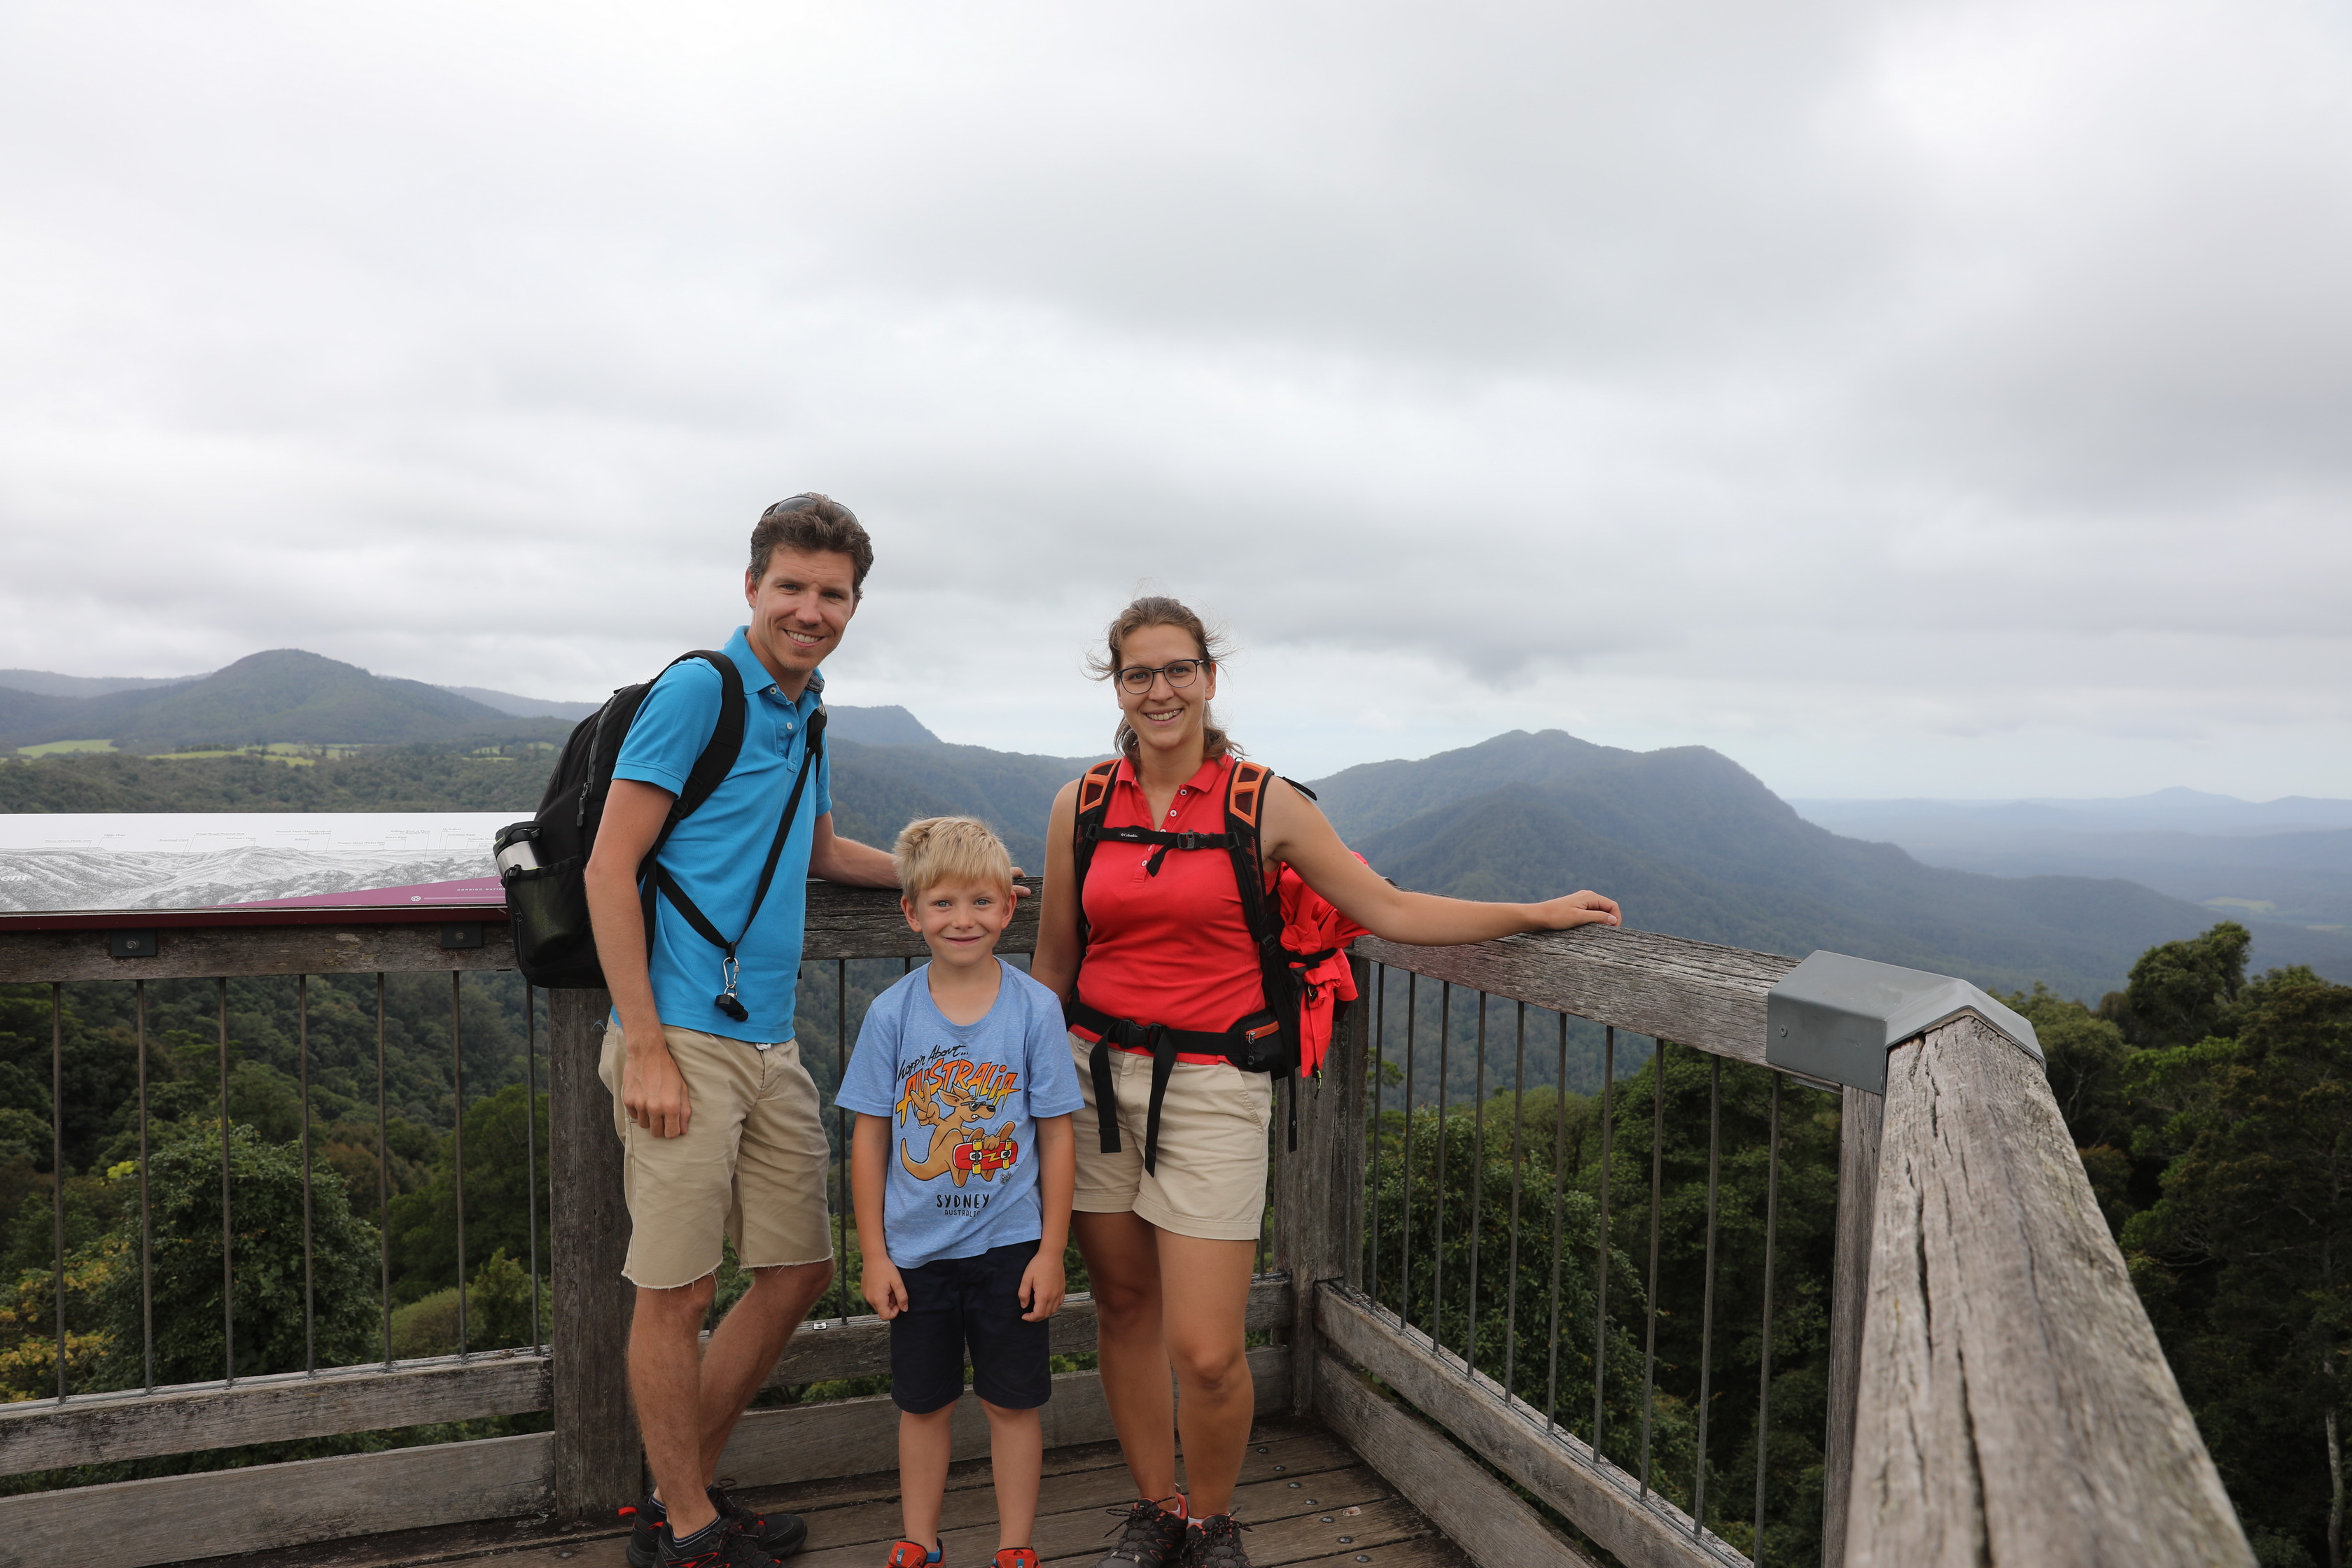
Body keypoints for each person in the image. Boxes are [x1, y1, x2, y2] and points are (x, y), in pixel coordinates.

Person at [1031, 598, 1623, 1568]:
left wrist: (1534, 912)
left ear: (1211, 678)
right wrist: (1020, 1089)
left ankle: (1211, 1521)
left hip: (1218, 1086)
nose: (1160, 689)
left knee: (1210, 1349)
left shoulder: (1265, 803)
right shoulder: (1083, 804)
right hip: (1090, 1081)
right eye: (1139, 673)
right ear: (1117, 686)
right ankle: (1154, 1510)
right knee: (1127, 1311)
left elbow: (1384, 906)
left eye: (1178, 669)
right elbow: (1055, 965)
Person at [585, 494, 901, 1568]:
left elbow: (814, 852)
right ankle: (685, 1528)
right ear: (753, 587)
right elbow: (609, 868)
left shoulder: (806, 711)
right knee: (676, 1290)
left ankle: (681, 1499)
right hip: (679, 1032)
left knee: (799, 1270)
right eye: (793, 588)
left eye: (833, 594)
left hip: (770, 1041)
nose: (811, 610)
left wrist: (946, 872)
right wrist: (646, 1045)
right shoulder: (700, 691)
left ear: (855, 603)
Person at [840, 818, 1084, 1568]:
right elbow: (871, 1136)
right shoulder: (893, 1012)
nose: (963, 919)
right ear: (912, 912)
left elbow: (1056, 1132)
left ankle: (1015, 1544)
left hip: (1011, 1246)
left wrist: (1050, 1249)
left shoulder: (1034, 1007)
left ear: (1009, 908)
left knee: (1013, 1402)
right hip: (915, 1252)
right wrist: (874, 1253)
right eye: (943, 903)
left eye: (981, 900)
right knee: (923, 1403)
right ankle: (920, 1537)